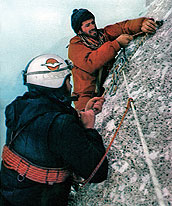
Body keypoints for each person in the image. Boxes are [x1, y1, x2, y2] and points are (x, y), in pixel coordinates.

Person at [0, 54, 108, 206]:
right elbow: (97, 172)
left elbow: (44, 123)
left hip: (10, 194)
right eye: (68, 81)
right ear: (59, 84)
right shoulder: (62, 125)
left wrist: (80, 114)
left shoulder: (17, 107)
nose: (71, 86)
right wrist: (89, 128)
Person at [68, 8, 157, 111]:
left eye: (92, 22)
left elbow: (122, 27)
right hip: (86, 99)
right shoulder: (75, 46)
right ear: (79, 31)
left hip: (103, 88)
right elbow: (90, 62)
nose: (93, 27)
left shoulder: (102, 35)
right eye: (87, 25)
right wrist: (116, 44)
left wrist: (143, 23)